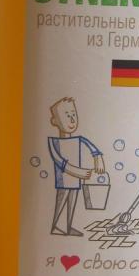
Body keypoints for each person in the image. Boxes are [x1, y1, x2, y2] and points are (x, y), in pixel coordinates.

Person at [48, 97, 104, 236]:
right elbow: (59, 161)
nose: (72, 120)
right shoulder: (53, 142)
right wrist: (76, 171)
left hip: (76, 178)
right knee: (62, 199)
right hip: (64, 178)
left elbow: (93, 148)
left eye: (73, 114)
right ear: (55, 121)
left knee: (72, 200)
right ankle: (56, 226)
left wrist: (98, 157)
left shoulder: (78, 139)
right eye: (67, 116)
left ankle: (67, 227)